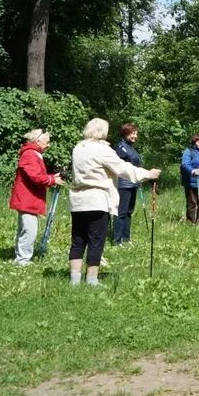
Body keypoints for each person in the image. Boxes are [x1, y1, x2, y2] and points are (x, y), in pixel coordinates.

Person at [70, 118, 160, 286]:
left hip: (77, 200)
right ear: (101, 131)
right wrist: (149, 174)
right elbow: (123, 168)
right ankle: (91, 280)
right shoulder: (102, 149)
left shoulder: (78, 148)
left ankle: (74, 280)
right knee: (96, 240)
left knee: (78, 240)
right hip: (96, 199)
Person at [8, 129, 64, 266]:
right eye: (47, 142)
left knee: (26, 229)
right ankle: (23, 260)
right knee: (29, 230)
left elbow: (37, 175)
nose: (48, 145)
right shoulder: (30, 154)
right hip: (26, 198)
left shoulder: (33, 154)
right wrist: (52, 181)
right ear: (38, 141)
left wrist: (53, 176)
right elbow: (35, 177)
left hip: (28, 198)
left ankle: (21, 258)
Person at [113, 123, 144, 245]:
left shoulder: (131, 147)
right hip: (123, 184)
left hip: (133, 183)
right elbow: (117, 166)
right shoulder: (120, 147)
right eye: (133, 133)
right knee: (121, 212)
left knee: (129, 212)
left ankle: (126, 239)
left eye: (136, 134)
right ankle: (117, 240)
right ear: (125, 133)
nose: (135, 136)